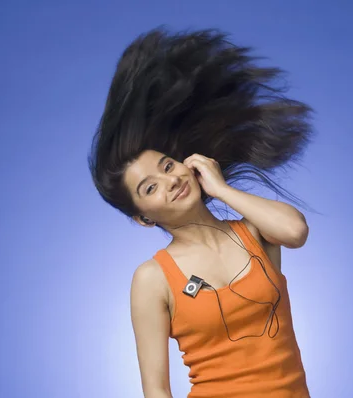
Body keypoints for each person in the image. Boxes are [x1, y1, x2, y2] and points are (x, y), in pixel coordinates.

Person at [89, 28, 314, 398]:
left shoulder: (254, 232)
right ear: (143, 217)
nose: (170, 180)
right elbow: (157, 391)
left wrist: (222, 188)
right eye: (150, 188)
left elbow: (296, 232)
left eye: (166, 166)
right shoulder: (153, 279)